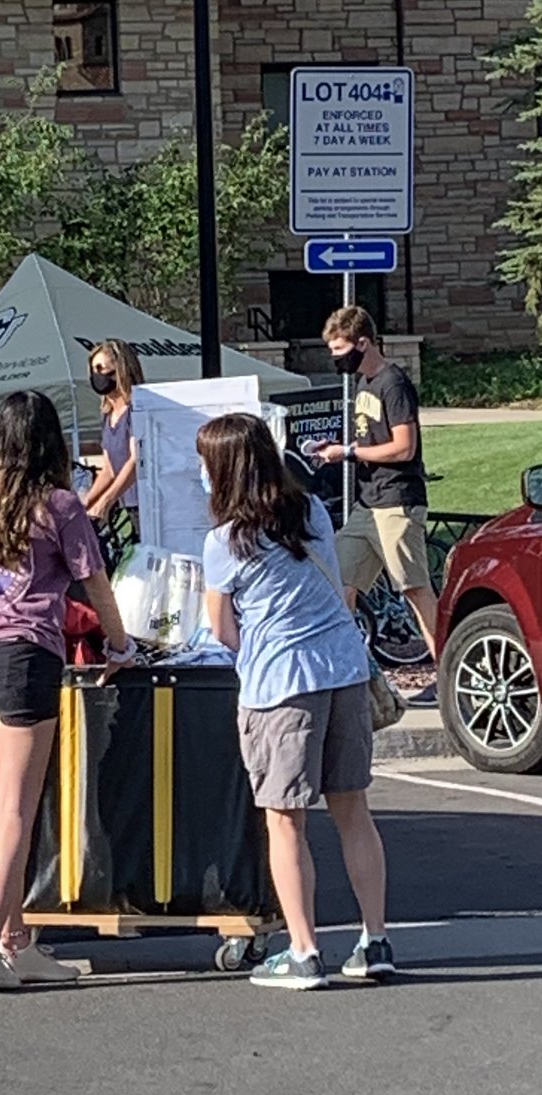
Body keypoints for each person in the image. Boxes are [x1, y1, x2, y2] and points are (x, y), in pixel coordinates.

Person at [0, 390, 135, 992]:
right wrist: (119, 647)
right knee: (18, 807)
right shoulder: (59, 505)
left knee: (1, 809)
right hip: (24, 656)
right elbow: (95, 583)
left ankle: (17, 940)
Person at [199, 412, 394, 990]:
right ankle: (374, 938)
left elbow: (220, 628)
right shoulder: (311, 512)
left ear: (222, 471)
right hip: (343, 670)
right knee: (353, 809)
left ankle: (305, 950)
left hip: (281, 684)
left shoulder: (224, 542)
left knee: (285, 821)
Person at [316, 306, 438, 708]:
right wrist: (334, 451)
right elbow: (369, 442)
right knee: (339, 584)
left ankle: (448, 672)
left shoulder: (393, 383)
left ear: (363, 342)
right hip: (367, 504)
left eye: (340, 349)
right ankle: (348, 675)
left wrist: (348, 452)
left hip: (397, 501)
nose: (336, 358)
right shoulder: (365, 384)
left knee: (415, 589)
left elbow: (405, 447)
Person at [81, 339, 144, 540]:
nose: (97, 375)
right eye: (93, 370)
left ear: (120, 368)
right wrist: (86, 502)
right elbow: (109, 468)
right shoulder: (108, 415)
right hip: (127, 505)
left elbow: (136, 461)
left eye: (101, 368)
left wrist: (106, 502)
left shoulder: (137, 409)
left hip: (147, 505)